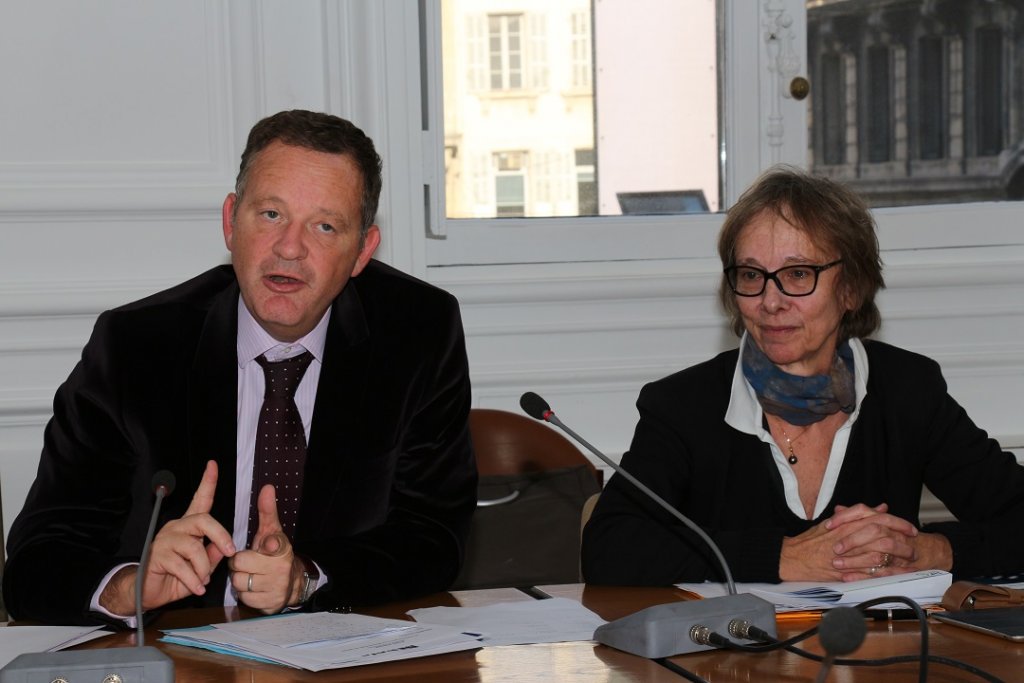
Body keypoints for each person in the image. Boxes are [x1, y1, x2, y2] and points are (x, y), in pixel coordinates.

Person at [3, 110, 477, 624]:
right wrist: (128, 585)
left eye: (324, 226)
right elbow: (36, 563)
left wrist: (305, 577)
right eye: (271, 214)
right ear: (231, 222)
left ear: (362, 250)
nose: (290, 248)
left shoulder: (416, 335)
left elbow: (434, 538)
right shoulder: (136, 348)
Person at [582, 166, 1024, 585]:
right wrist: (783, 557)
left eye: (798, 274)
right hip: (727, 662)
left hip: (881, 658)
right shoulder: (685, 406)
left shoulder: (907, 390)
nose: (770, 301)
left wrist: (931, 552)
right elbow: (609, 547)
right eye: (752, 275)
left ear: (851, 287)